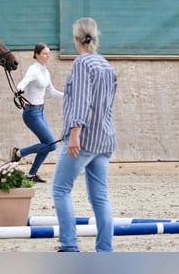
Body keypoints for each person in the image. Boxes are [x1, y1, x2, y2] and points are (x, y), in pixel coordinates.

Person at [52, 17, 117, 252]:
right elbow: (107, 105)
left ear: (76, 38)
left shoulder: (81, 64)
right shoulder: (105, 64)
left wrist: (75, 133)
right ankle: (105, 251)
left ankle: (69, 246)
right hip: (105, 138)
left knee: (60, 189)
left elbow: (81, 101)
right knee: (100, 198)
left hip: (84, 139)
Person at [10, 43, 63, 183]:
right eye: (45, 53)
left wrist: (67, 95)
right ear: (37, 54)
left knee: (46, 145)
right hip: (31, 113)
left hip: (40, 111)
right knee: (52, 144)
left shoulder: (45, 71)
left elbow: (51, 91)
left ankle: (31, 175)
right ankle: (19, 153)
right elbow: (24, 82)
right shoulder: (33, 70)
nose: (48, 56)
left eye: (49, 53)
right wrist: (19, 89)